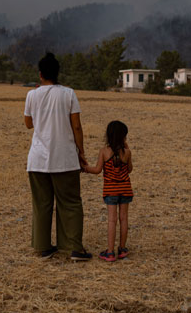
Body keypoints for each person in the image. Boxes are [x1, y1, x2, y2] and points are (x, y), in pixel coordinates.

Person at [23, 53, 92, 261]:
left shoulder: (31, 95)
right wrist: (81, 152)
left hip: (37, 160)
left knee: (42, 204)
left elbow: (28, 124)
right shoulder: (69, 94)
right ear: (57, 73)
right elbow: (77, 126)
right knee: (70, 202)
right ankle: (73, 248)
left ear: (41, 74)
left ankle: (43, 247)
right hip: (65, 158)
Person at [80, 120, 133, 262]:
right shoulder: (127, 152)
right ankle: (122, 249)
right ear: (123, 137)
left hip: (111, 191)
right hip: (125, 189)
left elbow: (97, 170)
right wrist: (126, 149)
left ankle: (109, 252)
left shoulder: (104, 151)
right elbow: (129, 170)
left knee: (112, 220)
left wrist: (84, 168)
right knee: (123, 219)